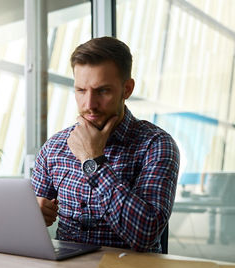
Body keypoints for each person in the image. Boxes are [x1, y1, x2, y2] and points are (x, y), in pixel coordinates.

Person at [31, 37, 180, 253]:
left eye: (102, 91)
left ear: (127, 89)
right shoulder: (55, 146)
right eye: (81, 90)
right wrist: (34, 212)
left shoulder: (156, 145)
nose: (89, 104)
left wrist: (93, 160)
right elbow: (30, 214)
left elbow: (145, 234)